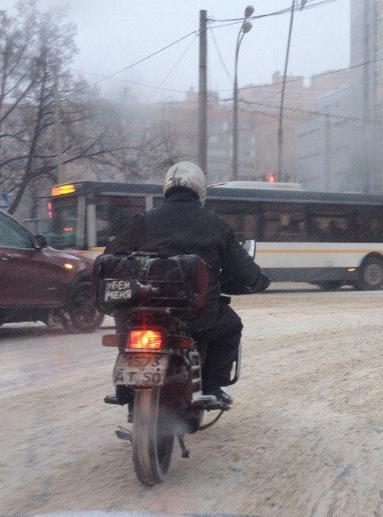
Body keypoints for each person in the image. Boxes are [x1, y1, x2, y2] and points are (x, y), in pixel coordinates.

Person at [105, 161, 269, 405]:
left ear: (167, 189)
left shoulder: (144, 220)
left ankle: (126, 387)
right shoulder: (216, 224)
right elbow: (242, 270)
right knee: (232, 325)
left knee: (127, 330)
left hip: (144, 307)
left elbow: (111, 256)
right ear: (200, 191)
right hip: (196, 314)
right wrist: (259, 280)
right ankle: (212, 385)